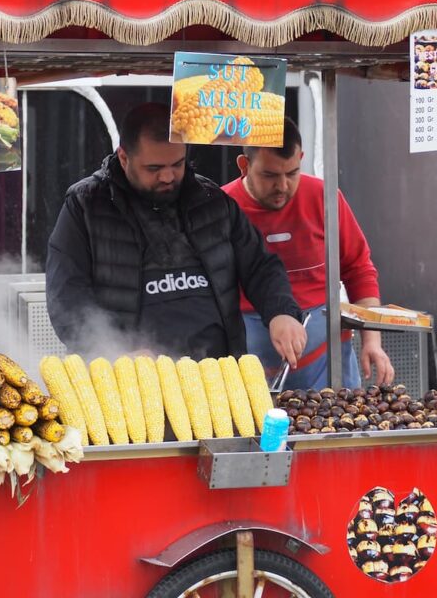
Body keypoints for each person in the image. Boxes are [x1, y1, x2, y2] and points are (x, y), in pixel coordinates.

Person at [46, 102, 307, 364]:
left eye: (177, 164)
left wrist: (280, 312)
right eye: (154, 168)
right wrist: (113, 354)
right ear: (124, 158)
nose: (169, 177)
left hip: (216, 376)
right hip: (131, 382)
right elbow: (67, 297)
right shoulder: (86, 205)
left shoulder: (212, 201)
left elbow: (261, 266)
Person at [222, 117, 394, 390]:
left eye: (291, 173)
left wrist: (372, 341)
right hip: (249, 365)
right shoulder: (223, 208)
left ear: (301, 158)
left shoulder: (324, 197)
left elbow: (359, 269)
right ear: (244, 166)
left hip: (327, 362)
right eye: (269, 175)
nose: (282, 186)